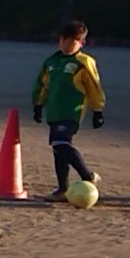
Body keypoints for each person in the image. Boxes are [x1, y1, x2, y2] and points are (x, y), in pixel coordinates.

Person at [31, 20, 106, 202]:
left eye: (72, 42)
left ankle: (88, 176)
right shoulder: (51, 62)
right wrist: (38, 105)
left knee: (60, 143)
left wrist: (97, 110)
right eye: (64, 40)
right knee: (58, 151)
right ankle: (63, 190)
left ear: (81, 43)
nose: (66, 45)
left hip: (72, 110)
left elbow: (94, 87)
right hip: (54, 111)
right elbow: (42, 85)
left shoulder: (84, 62)